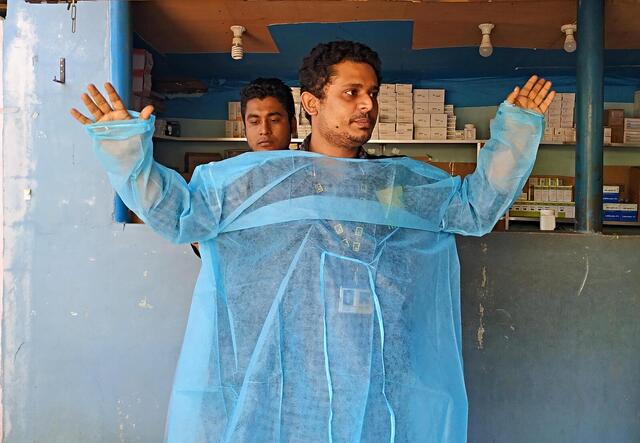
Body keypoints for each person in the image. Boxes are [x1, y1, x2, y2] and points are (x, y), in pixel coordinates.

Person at [71, 40, 554, 442]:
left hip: (374, 379)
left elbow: (473, 208)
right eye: (351, 92)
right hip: (279, 381)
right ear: (312, 102)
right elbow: (178, 214)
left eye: (372, 93)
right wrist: (124, 148)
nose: (367, 104)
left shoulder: (395, 185)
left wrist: (514, 134)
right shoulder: (257, 180)